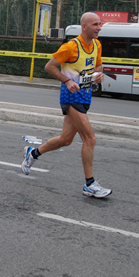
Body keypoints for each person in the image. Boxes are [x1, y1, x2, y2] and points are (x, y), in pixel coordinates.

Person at [21, 12, 112, 198]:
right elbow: (49, 66)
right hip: (71, 97)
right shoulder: (70, 47)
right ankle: (89, 184)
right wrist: (67, 81)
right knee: (90, 139)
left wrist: (98, 75)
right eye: (95, 24)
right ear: (84, 26)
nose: (99, 27)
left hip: (85, 95)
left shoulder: (97, 45)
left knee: (65, 139)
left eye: (100, 24)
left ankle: (33, 153)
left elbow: (97, 67)